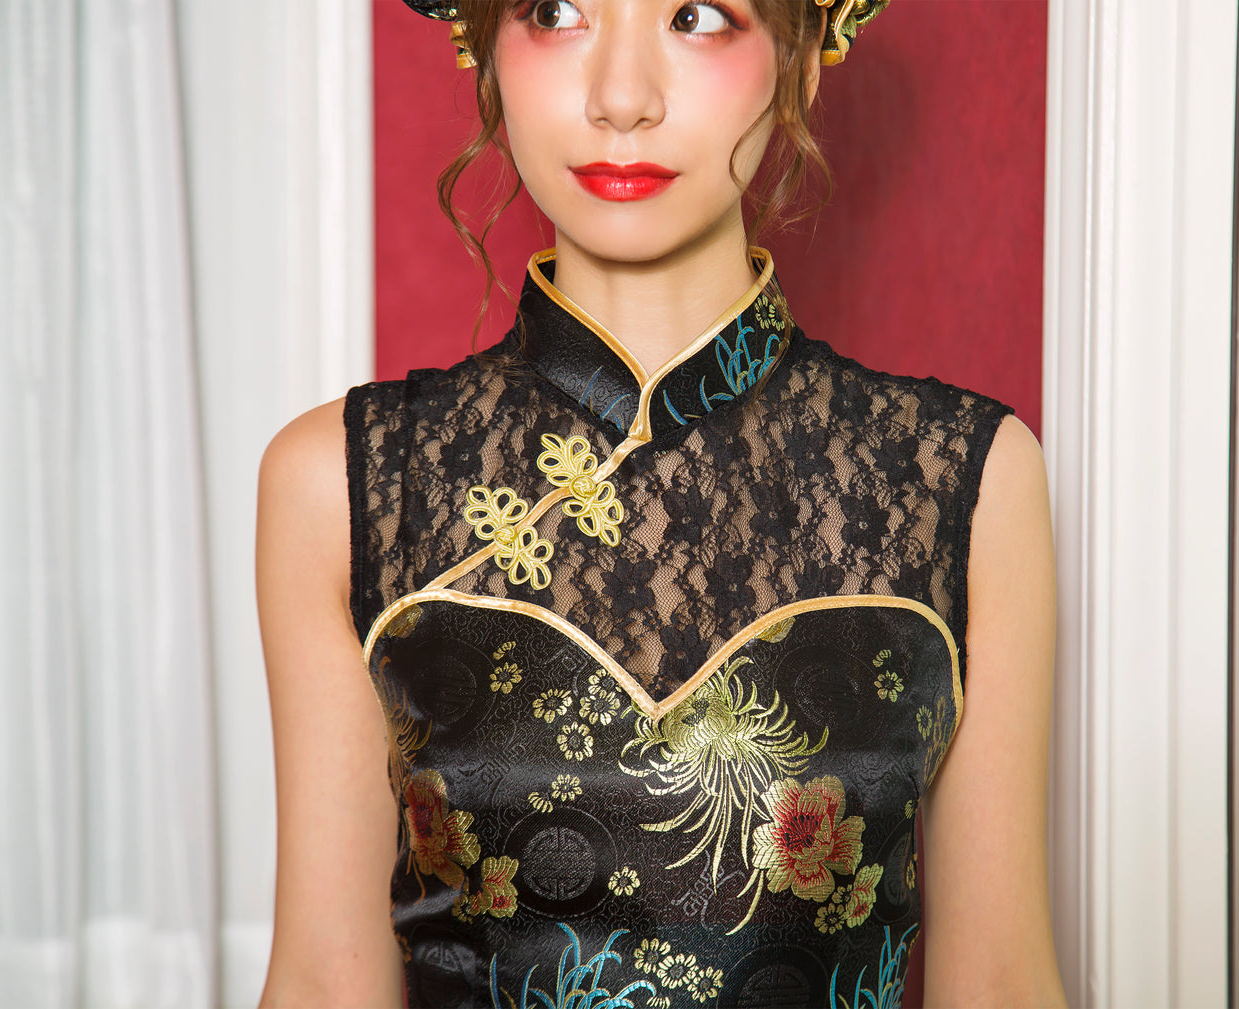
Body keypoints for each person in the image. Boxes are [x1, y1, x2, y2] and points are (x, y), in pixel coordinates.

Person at [256, 0, 1064, 1005]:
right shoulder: (339, 483)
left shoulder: (963, 482)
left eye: (695, 15)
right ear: (482, 47)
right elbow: (322, 982)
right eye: (555, 11)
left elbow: (1001, 978)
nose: (621, 98)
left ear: (801, 56)